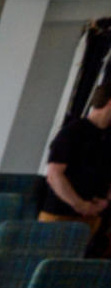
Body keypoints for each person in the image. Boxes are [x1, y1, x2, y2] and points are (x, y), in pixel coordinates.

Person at [40, 79, 111, 234]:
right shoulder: (73, 132)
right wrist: (79, 204)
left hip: (95, 215)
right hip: (60, 214)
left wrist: (105, 201)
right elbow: (54, 174)